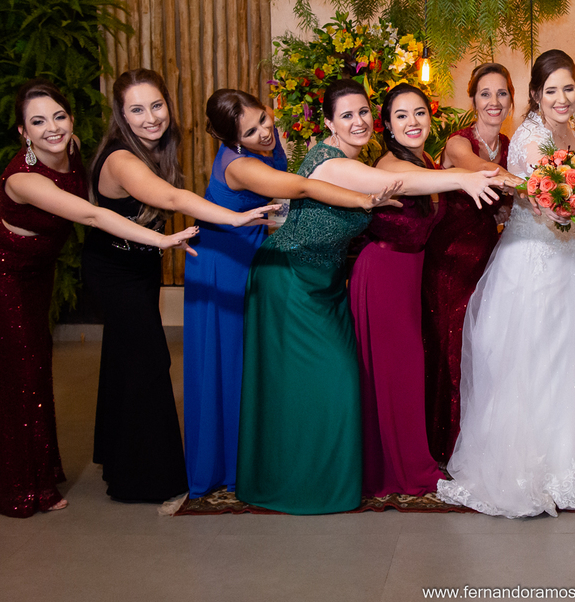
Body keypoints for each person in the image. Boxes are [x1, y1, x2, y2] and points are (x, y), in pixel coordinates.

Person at [237, 79, 501, 513]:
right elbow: (394, 183)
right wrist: (465, 177)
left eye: (362, 112)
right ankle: (298, 485)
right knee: (327, 383)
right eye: (346, 115)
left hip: (326, 283)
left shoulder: (356, 158)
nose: (357, 121)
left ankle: (322, 478)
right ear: (328, 123)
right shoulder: (331, 162)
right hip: (288, 279)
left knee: (332, 387)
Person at [0, 80, 197, 518]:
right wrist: (160, 240)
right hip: (0, 266)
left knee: (30, 362)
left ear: (71, 120)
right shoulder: (23, 176)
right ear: (23, 133)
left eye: (59, 116)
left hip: (38, 268)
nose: (52, 128)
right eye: (38, 122)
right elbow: (92, 214)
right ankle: (17, 486)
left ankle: (32, 466)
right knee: (22, 366)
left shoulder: (71, 148)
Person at [437, 49, 575, 517]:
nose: (562, 97)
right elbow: (536, 190)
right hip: (533, 258)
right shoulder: (529, 135)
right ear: (535, 95)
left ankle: (567, 460)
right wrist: (552, 204)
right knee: (532, 358)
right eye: (552, 90)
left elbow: (574, 197)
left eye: (569, 88)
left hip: (572, 257)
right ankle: (530, 468)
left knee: (571, 355)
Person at [182, 88, 396, 499]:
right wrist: (363, 200)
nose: (265, 132)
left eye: (264, 119)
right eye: (252, 130)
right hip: (223, 257)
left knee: (259, 365)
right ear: (231, 140)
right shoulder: (239, 164)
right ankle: (226, 466)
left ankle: (264, 461)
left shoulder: (270, 140)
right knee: (228, 364)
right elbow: (300, 188)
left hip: (259, 246)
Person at [84, 69, 274, 503]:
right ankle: (144, 479)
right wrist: (233, 217)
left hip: (140, 267)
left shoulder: (158, 148)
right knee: (148, 364)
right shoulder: (122, 159)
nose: (151, 117)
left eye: (156, 105)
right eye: (137, 109)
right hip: (113, 270)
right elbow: (169, 199)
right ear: (122, 116)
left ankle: (117, 460)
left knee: (124, 363)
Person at [350, 83, 507, 497]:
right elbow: (416, 182)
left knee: (408, 371)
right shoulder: (389, 165)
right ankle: (400, 468)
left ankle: (411, 458)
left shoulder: (421, 159)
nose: (412, 122)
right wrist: (464, 177)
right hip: (383, 272)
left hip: (411, 274)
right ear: (386, 125)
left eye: (419, 113)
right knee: (394, 373)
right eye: (401, 116)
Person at [422, 63, 518, 464]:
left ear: (511, 99)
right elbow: (476, 168)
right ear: (473, 99)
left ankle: (477, 440)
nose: (493, 102)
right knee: (450, 346)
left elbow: (504, 209)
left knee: (484, 347)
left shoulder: (512, 144)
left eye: (501, 94)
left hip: (489, 260)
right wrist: (538, 186)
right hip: (450, 259)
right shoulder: (459, 142)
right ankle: (443, 444)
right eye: (485, 94)